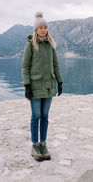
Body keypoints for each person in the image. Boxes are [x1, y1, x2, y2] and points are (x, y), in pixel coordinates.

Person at [22, 12, 63, 161]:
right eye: (41, 27)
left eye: (45, 27)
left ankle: (43, 144)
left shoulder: (51, 45)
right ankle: (35, 145)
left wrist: (60, 82)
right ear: (36, 29)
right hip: (35, 86)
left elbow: (56, 64)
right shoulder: (30, 45)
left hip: (49, 86)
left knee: (45, 116)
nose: (43, 30)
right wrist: (27, 85)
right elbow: (25, 66)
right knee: (36, 116)